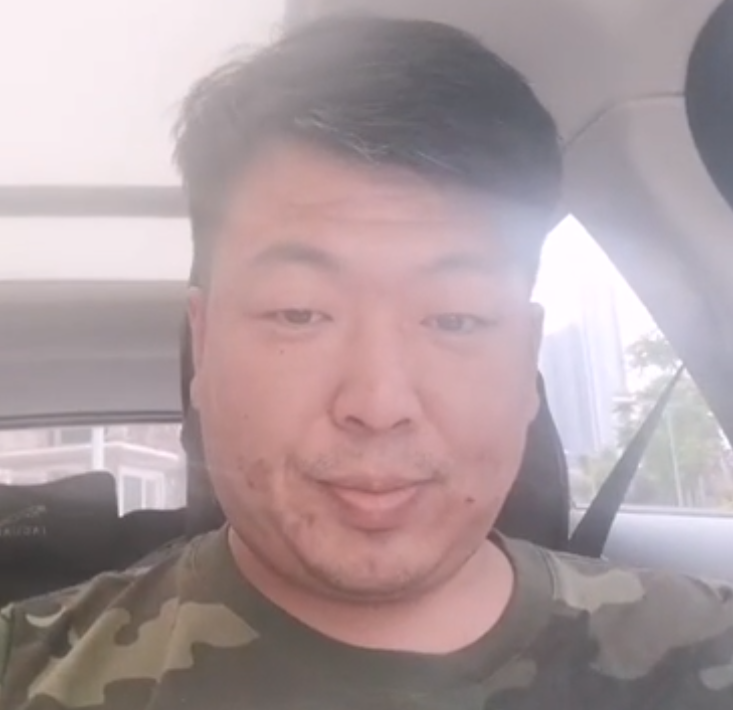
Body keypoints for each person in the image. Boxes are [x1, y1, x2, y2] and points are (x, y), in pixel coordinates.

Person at [1, 14, 732, 710]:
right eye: (299, 312)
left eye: (455, 317)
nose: (379, 404)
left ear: (526, 359)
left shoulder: (706, 654)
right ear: (204, 343)